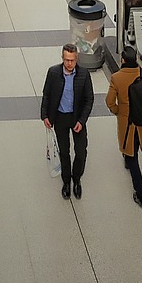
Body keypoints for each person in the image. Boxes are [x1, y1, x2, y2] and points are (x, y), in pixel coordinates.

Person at [40, 44, 94, 199]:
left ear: (77, 59)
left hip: (77, 118)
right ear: (62, 58)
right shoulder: (53, 73)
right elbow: (46, 95)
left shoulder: (83, 75)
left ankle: (77, 179)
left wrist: (82, 121)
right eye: (66, 60)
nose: (69, 63)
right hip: (60, 117)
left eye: (72, 60)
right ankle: (66, 181)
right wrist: (45, 115)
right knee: (64, 152)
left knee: (81, 151)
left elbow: (89, 99)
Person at [104, 46, 142, 208]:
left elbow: (109, 101)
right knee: (136, 143)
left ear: (123, 60)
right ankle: (128, 157)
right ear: (136, 58)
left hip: (127, 123)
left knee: (132, 157)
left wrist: (118, 111)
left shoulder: (117, 78)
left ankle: (141, 195)